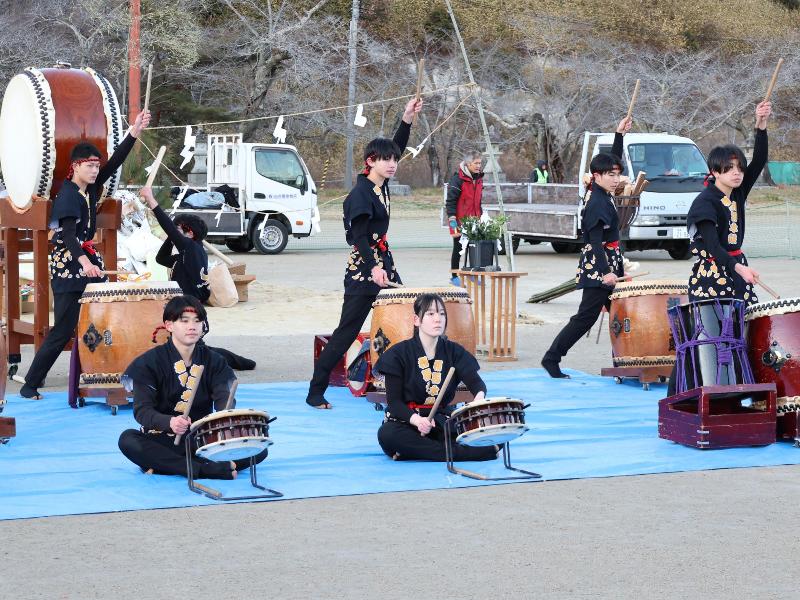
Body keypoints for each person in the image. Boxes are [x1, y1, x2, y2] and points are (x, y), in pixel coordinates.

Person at [20, 110, 151, 400]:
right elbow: (67, 236)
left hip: (88, 262)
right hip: (69, 267)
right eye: (89, 166)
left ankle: (103, 375)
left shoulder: (90, 188)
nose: (94, 170)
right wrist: (85, 264)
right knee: (64, 328)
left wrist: (134, 132)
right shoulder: (67, 195)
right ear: (75, 166)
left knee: (103, 320)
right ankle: (30, 384)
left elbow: (115, 162)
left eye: (96, 166)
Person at [305, 97, 422, 409]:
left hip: (384, 264)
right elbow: (358, 238)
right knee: (346, 333)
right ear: (371, 161)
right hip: (364, 270)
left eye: (394, 159)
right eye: (386, 160)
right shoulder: (360, 194)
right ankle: (315, 392)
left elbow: (397, 146)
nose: (392, 163)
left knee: (408, 317)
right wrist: (373, 268)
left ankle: (408, 383)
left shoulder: (380, 184)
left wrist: (407, 118)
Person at [118, 295, 267, 479]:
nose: (192, 326)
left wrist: (226, 418)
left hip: (201, 439)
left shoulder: (215, 361)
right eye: (185, 321)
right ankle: (205, 469)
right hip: (162, 439)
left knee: (259, 449)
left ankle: (168, 466)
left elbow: (224, 398)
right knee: (128, 440)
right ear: (169, 325)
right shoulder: (148, 363)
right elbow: (142, 411)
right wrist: (170, 422)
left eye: (197, 321)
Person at [541, 116, 632, 379]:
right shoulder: (597, 203)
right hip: (598, 268)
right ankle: (551, 358)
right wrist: (606, 273)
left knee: (620, 314)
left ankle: (624, 363)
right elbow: (593, 243)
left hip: (608, 265)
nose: (616, 179)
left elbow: (611, 160)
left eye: (617, 174)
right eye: (610, 175)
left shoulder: (601, 191)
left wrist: (619, 134)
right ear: (597, 176)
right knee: (586, 318)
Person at [139, 186, 255, 371]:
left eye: (178, 231)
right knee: (193, 350)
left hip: (190, 309)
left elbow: (168, 227)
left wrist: (152, 201)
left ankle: (238, 363)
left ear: (190, 233)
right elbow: (161, 258)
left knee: (200, 353)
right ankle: (237, 362)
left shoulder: (192, 249)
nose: (174, 234)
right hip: (186, 306)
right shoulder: (186, 255)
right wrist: (172, 237)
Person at [375, 293, 498, 462]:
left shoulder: (454, 351)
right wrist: (418, 421)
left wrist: (479, 397)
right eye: (430, 314)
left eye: (441, 314)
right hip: (407, 421)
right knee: (388, 435)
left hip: (442, 421)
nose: (438, 319)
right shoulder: (398, 354)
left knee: (493, 430)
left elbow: (476, 383)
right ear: (416, 320)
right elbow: (394, 403)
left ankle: (417, 452)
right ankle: (470, 453)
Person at [685, 101, 771, 306]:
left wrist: (761, 125)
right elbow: (713, 246)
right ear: (715, 172)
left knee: (745, 323)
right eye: (730, 168)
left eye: (740, 168)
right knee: (721, 327)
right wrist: (740, 268)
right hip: (712, 276)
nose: (737, 173)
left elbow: (759, 160)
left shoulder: (738, 192)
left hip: (738, 270)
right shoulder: (704, 203)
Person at [445, 150, 484, 285]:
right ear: (468, 164)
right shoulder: (457, 180)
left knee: (473, 247)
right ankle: (454, 276)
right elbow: (450, 201)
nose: (478, 166)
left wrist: (480, 216)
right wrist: (452, 219)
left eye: (480, 163)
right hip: (458, 221)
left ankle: (471, 273)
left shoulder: (479, 179)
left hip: (474, 220)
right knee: (458, 248)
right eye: (476, 163)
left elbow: (478, 201)